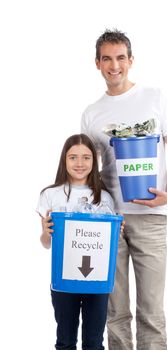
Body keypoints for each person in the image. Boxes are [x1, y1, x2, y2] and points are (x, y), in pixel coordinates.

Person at [81, 29, 167, 350]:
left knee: (152, 313)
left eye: (121, 58)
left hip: (151, 216)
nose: (115, 65)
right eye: (107, 59)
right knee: (115, 312)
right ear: (97, 63)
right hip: (111, 221)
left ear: (131, 61)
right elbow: (90, 171)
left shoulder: (155, 98)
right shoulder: (92, 114)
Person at [36, 133, 115, 350]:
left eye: (86, 157)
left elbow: (109, 245)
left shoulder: (104, 198)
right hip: (64, 279)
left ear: (94, 161)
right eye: (73, 157)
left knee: (94, 343)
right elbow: (46, 243)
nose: (79, 163)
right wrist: (45, 231)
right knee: (65, 342)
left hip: (97, 281)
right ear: (64, 160)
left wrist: (116, 232)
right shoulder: (50, 195)